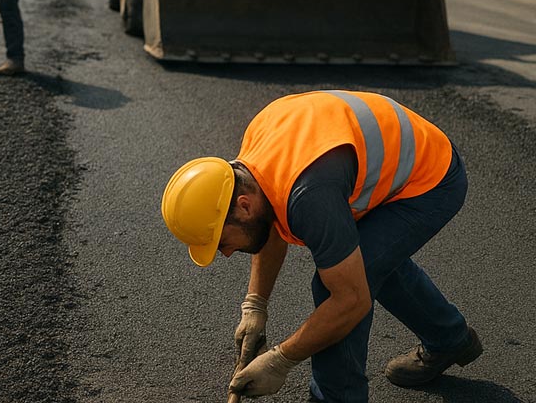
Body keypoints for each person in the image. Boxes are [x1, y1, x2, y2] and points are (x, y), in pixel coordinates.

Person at [161, 91, 482, 402]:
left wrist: (280, 359)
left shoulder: (310, 197)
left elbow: (351, 301)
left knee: (343, 285)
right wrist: (255, 305)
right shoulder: (252, 165)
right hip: (388, 156)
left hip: (430, 178)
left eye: (222, 243)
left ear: (243, 206)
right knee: (365, 261)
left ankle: (336, 397)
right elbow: (267, 220)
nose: (228, 253)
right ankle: (449, 339)